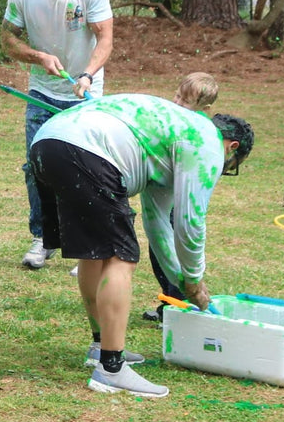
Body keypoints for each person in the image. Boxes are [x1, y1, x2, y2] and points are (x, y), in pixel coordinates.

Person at [29, 94, 253, 396]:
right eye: (231, 165)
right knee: (120, 257)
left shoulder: (175, 135)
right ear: (232, 147)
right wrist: (195, 280)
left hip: (47, 144)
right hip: (87, 149)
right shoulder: (207, 144)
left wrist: (181, 281)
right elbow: (190, 222)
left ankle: (100, 347)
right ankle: (111, 368)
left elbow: (157, 223)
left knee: (95, 254)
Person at [1, 0, 114, 270]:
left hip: (85, 94)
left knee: (88, 171)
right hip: (42, 93)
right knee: (37, 168)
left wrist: (87, 74)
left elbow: (105, 39)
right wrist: (38, 57)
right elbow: (8, 40)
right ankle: (44, 239)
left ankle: (88, 247)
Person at [142, 72, 220, 323]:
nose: (176, 103)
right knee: (159, 247)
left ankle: (179, 307)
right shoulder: (171, 117)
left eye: (185, 101)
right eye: (176, 96)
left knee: (176, 241)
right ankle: (169, 302)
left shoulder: (199, 131)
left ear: (205, 109)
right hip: (162, 189)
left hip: (180, 196)